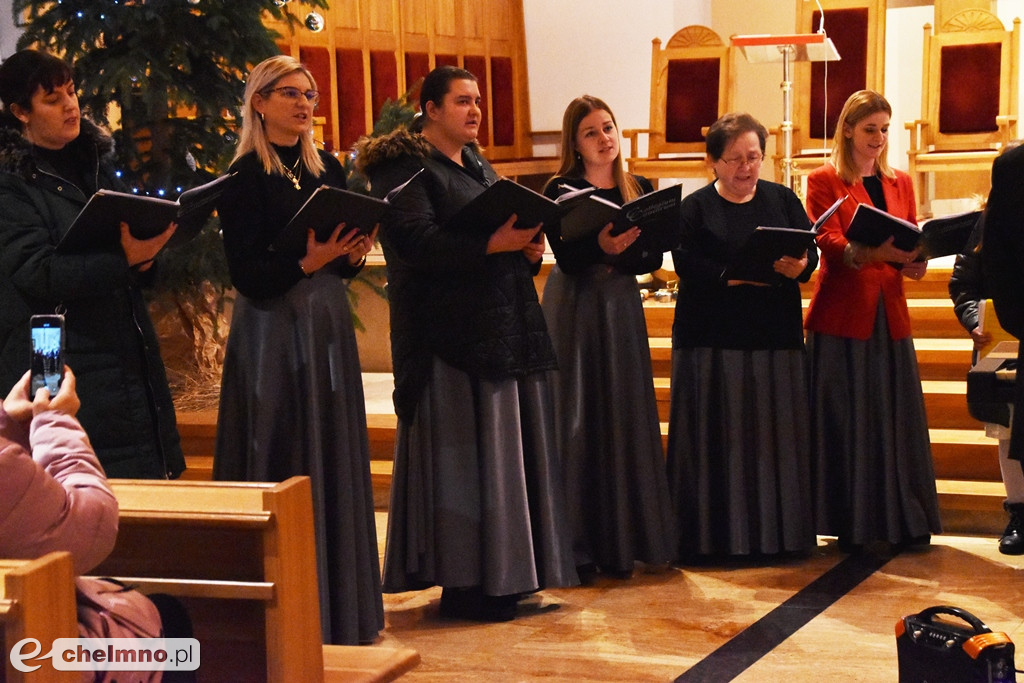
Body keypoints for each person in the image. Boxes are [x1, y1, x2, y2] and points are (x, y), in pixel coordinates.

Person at [354, 65, 577, 622]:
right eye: (462, 101)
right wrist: (491, 243)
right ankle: (465, 585)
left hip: (495, 328)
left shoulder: (473, 160)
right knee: (461, 464)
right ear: (430, 108)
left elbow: (490, 233)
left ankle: (503, 579)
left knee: (497, 462)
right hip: (445, 339)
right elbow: (415, 243)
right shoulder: (401, 167)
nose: (475, 110)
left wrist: (521, 249)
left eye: (477, 101)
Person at [213, 55, 383, 645]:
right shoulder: (242, 180)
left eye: (310, 94)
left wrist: (354, 251)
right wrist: (305, 261)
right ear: (259, 102)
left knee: (331, 455)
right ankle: (282, 613)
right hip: (272, 331)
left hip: (325, 323)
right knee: (284, 451)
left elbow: (341, 261)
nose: (305, 103)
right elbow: (249, 275)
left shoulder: (326, 168)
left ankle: (341, 607)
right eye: (291, 93)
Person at [0, 48, 183, 479]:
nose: (70, 104)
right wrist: (125, 260)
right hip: (58, 355)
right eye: (52, 98)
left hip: (122, 347)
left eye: (71, 91)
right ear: (19, 112)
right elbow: (38, 273)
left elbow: (110, 247)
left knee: (142, 493)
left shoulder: (93, 165)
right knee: (82, 489)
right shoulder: (10, 184)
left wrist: (143, 260)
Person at [666, 112, 818, 560]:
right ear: (712, 161)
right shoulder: (694, 208)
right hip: (713, 341)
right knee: (721, 441)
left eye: (754, 157)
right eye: (734, 159)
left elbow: (808, 251)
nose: (746, 168)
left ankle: (779, 536)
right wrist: (726, 277)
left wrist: (801, 267)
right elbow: (683, 261)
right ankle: (713, 540)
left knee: (774, 440)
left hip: (774, 337)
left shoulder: (782, 199)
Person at [539, 95, 675, 580]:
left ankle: (627, 536)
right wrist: (598, 245)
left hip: (619, 305)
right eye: (591, 132)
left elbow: (653, 258)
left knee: (623, 410)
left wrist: (619, 253)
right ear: (575, 144)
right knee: (578, 415)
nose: (605, 138)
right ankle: (577, 543)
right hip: (576, 306)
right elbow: (567, 257)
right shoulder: (560, 188)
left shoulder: (636, 187)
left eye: (609, 127)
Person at [804, 90, 941, 551]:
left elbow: (911, 234)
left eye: (885, 129)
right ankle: (855, 522)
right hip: (844, 315)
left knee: (894, 418)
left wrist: (916, 260)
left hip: (890, 310)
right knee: (851, 420)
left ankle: (903, 516)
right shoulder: (823, 179)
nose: (879, 139)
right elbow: (826, 237)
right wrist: (872, 252)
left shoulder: (900, 180)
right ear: (847, 129)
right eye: (870, 130)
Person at [0, 367, 192, 683]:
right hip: (23, 656)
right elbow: (90, 531)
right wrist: (55, 421)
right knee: (175, 636)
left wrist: (7, 424)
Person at [949, 209, 1024, 554]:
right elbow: (963, 285)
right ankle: (1020, 512)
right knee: (1008, 425)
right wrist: (973, 321)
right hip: (1002, 343)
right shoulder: (992, 219)